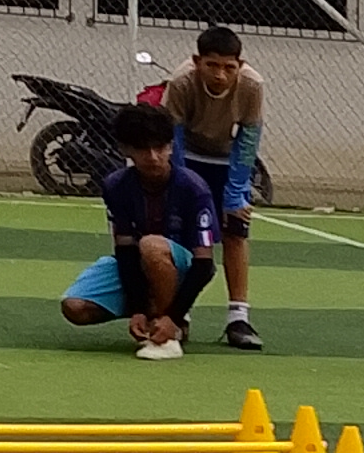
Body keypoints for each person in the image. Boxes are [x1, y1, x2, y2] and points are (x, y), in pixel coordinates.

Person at [59, 101, 220, 356]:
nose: (153, 157)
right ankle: (150, 314)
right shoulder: (116, 186)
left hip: (182, 266)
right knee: (75, 307)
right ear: (125, 150)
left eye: (160, 148)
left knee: (151, 245)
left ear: (171, 146)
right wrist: (137, 309)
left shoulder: (193, 188)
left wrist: (173, 316)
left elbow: (205, 266)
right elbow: (124, 251)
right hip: (141, 262)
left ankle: (169, 332)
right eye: (143, 149)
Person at [159, 23, 268, 354]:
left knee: (236, 229)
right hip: (187, 155)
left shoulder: (252, 85)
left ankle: (238, 317)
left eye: (229, 67)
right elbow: (173, 137)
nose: (220, 75)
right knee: (181, 230)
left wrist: (235, 192)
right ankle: (180, 313)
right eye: (212, 65)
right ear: (197, 62)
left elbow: (249, 138)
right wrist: (180, 185)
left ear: (240, 65)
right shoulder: (180, 83)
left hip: (227, 156)